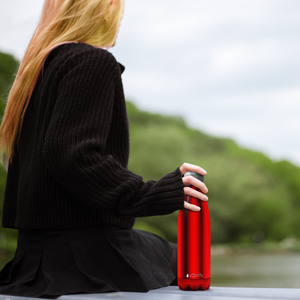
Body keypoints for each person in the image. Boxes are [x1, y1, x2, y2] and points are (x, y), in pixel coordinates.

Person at [0, 0, 208, 298]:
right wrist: (153, 193)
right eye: (117, 7)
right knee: (184, 259)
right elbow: (72, 154)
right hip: (83, 257)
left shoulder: (35, 72)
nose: (120, 18)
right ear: (100, 10)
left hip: (33, 257)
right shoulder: (92, 61)